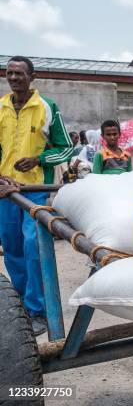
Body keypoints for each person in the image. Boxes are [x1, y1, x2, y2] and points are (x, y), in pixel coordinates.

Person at [0, 56, 72, 335]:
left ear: (32, 76)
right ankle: (21, 308)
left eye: (20, 73)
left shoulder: (47, 107)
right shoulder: (1, 108)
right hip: (6, 192)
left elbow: (66, 148)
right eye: (10, 73)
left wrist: (39, 160)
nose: (14, 77)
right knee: (13, 249)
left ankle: (39, 310)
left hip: (36, 192)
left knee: (33, 247)